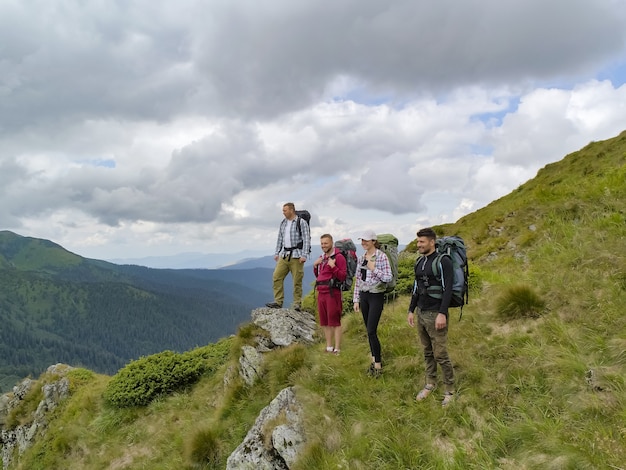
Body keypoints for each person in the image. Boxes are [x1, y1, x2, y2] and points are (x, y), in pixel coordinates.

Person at [407, 227, 456, 407]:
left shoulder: (444, 261)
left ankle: (449, 390)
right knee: (427, 351)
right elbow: (415, 288)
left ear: (432, 242)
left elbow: (447, 288)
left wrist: (442, 313)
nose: (418, 244)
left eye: (422, 242)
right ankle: (430, 383)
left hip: (436, 313)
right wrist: (411, 310)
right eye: (418, 241)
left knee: (440, 353)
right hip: (421, 312)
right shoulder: (419, 262)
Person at [353, 230, 392, 378]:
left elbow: (388, 278)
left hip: (376, 296)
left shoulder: (382, 257)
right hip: (364, 296)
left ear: (373, 241)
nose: (363, 243)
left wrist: (373, 268)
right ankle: (374, 358)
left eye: (366, 240)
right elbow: (358, 278)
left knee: (371, 330)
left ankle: (378, 364)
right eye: (362, 240)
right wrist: (356, 299)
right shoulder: (361, 257)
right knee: (369, 330)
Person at [265, 202, 311, 311]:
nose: (283, 212)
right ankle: (278, 301)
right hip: (284, 255)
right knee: (276, 276)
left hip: (297, 255)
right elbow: (280, 238)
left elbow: (306, 239)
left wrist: (304, 255)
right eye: (283, 210)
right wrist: (277, 252)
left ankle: (297, 303)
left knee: (297, 281)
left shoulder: (301, 222)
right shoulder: (283, 223)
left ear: (291, 210)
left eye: (285, 210)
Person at [313, 234, 347, 354]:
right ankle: (329, 347)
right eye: (322, 243)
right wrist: (315, 266)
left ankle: (337, 348)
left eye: (326, 243)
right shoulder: (322, 258)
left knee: (335, 321)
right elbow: (319, 277)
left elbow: (343, 276)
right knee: (325, 321)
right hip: (321, 293)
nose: (323, 246)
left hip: (333, 293)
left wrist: (333, 267)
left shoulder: (339, 258)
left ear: (331, 243)